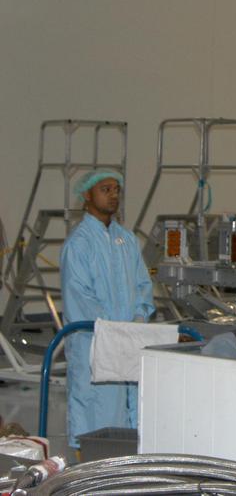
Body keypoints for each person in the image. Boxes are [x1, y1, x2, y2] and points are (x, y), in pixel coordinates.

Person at [60, 170, 155, 450]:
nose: (113, 195)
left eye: (116, 189)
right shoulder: (78, 244)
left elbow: (142, 285)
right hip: (94, 342)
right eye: (105, 189)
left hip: (127, 341)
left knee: (129, 410)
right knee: (96, 409)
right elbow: (80, 298)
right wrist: (113, 330)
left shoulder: (126, 240)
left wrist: (138, 319)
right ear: (87, 195)